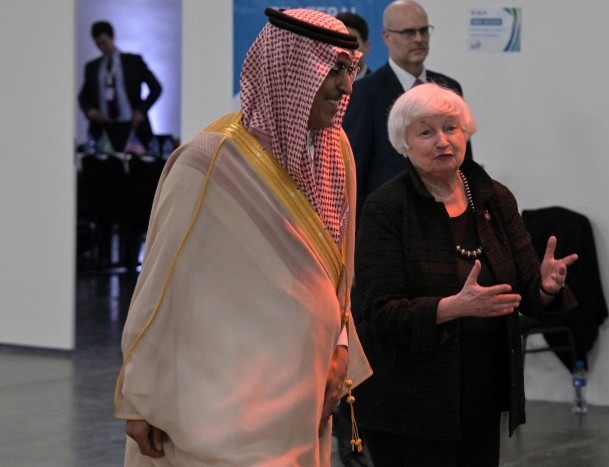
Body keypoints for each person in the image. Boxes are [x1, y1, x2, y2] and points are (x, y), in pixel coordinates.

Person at [113, 8, 372, 466]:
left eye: (349, 70)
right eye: (332, 69)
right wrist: (140, 397)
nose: (346, 87)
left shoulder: (337, 154)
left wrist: (341, 347)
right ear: (287, 69)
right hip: (218, 408)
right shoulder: (206, 161)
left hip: (304, 392)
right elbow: (159, 289)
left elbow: (341, 275)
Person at [350, 83, 578, 466]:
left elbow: (524, 289)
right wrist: (451, 307)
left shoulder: (493, 197)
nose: (442, 141)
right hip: (409, 397)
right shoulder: (386, 207)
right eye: (426, 132)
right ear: (403, 144)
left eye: (451, 128)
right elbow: (377, 314)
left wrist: (547, 287)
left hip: (482, 386)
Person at [343, 0, 471, 216]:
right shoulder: (365, 93)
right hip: (390, 221)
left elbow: (464, 162)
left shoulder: (449, 88)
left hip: (448, 217)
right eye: (408, 32)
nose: (418, 39)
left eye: (423, 31)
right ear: (386, 37)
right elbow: (355, 172)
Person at [78, 20, 162, 152]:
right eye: (98, 44)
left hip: (132, 124)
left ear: (112, 38)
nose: (102, 48)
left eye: (104, 43)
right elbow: (82, 97)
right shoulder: (92, 67)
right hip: (104, 127)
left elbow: (156, 88)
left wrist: (141, 110)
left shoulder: (133, 62)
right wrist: (89, 111)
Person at [336, 11, 372, 80]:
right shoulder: (322, 87)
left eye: (351, 41)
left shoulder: (381, 88)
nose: (345, 48)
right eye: (339, 41)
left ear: (367, 47)